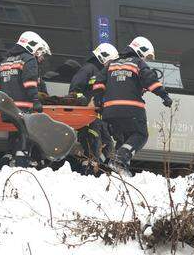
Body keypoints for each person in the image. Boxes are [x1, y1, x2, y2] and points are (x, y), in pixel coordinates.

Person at [93, 36, 173, 174]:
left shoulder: (112, 64)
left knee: (123, 139)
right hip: (131, 109)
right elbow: (150, 80)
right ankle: (119, 160)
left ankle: (115, 170)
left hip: (109, 111)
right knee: (140, 135)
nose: (145, 59)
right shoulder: (137, 63)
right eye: (146, 56)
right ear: (140, 51)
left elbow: (98, 83)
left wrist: (98, 101)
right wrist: (164, 96)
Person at [0, 31, 51, 167]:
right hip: (23, 108)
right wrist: (35, 100)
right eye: (39, 50)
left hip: (7, 109)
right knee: (26, 135)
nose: (39, 54)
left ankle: (9, 160)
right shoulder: (28, 59)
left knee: (17, 133)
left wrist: (0, 98)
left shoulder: (6, 60)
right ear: (31, 45)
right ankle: (21, 164)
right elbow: (29, 82)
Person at [68, 43, 118, 172]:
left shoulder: (103, 73)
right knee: (92, 144)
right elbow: (74, 89)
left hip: (99, 116)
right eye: (111, 61)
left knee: (109, 147)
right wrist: (84, 100)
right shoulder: (88, 69)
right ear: (103, 57)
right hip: (88, 115)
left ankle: (95, 167)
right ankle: (87, 171)